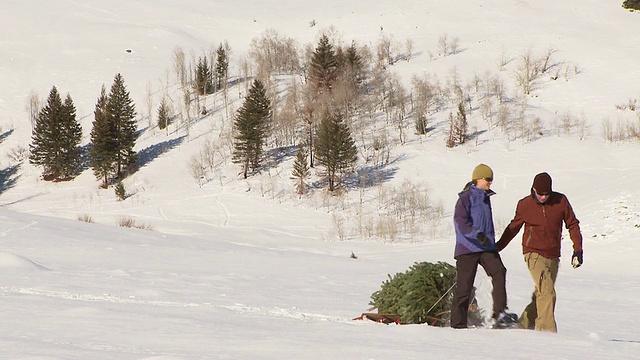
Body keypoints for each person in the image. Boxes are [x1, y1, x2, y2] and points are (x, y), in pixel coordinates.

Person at [496, 172, 583, 333]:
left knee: (542, 294)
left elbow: (572, 224)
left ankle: (522, 324)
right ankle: (547, 333)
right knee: (548, 292)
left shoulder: (561, 201)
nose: (543, 197)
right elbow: (513, 228)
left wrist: (577, 250)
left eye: (546, 194)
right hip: (533, 253)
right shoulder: (525, 204)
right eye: (540, 193)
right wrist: (497, 247)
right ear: (533, 189)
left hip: (553, 256)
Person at [451, 164, 514, 329]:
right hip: (467, 248)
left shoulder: (486, 198)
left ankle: (499, 315)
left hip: (486, 247)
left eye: (491, 179)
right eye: (488, 179)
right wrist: (477, 235)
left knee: (499, 271)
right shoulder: (465, 198)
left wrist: (491, 243)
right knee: (464, 287)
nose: (490, 182)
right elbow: (460, 222)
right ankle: (458, 325)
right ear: (478, 179)